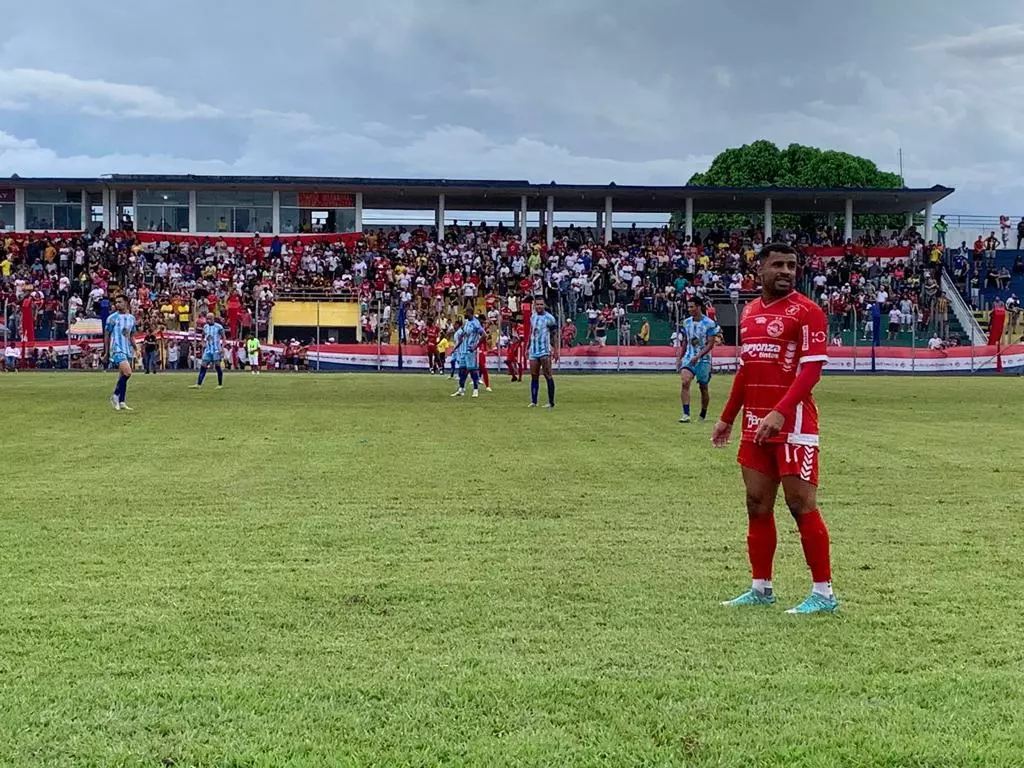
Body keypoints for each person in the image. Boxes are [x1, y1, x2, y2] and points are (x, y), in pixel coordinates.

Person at [711, 243, 837, 615]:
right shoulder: (748, 312)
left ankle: (824, 593)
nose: (786, 271)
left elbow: (811, 370)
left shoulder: (808, 312)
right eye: (778, 264)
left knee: (800, 505)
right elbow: (746, 370)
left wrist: (782, 412)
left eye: (792, 265)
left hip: (793, 422)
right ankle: (761, 587)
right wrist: (727, 417)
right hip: (755, 423)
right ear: (759, 270)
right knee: (756, 505)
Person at [676, 297, 721, 423]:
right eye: (688, 307)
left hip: (703, 360)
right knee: (685, 382)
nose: (689, 309)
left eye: (692, 306)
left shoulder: (710, 324)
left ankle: (703, 413)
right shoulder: (686, 322)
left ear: (699, 307)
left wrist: (698, 356)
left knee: (703, 387)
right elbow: (685, 341)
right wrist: (680, 357)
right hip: (689, 358)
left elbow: (710, 344)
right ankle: (686, 414)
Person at [104, 295, 137, 411]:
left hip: (127, 348)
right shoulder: (112, 318)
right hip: (116, 348)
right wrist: (106, 352)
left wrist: (136, 348)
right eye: (116, 302)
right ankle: (115, 395)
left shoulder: (131, 318)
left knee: (122, 376)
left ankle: (122, 401)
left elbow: (132, 335)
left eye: (120, 302)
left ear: (126, 303)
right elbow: (107, 335)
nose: (117, 304)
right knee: (128, 372)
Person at [527, 297, 558, 408]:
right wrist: (528, 347)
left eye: (541, 304)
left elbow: (554, 334)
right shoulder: (533, 316)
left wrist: (556, 350)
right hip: (533, 351)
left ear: (544, 305)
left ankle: (551, 402)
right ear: (535, 305)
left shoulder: (549, 318)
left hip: (545, 350)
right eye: (537, 304)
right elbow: (531, 332)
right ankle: (534, 401)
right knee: (534, 375)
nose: (539, 306)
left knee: (547, 375)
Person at [451, 309, 485, 398]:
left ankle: (475, 390)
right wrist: (455, 348)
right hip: (463, 351)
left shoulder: (476, 323)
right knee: (462, 371)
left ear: (471, 313)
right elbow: (462, 336)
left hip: (470, 351)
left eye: (467, 313)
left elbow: (484, 335)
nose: (465, 314)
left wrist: (475, 346)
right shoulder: (466, 323)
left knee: (472, 370)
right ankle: (461, 390)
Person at [191, 312, 225, 389]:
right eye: (207, 318)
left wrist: (222, 348)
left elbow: (224, 338)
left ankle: (220, 384)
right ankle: (198, 384)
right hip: (208, 350)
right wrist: (203, 343)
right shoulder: (205, 327)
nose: (208, 320)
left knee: (217, 366)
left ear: (213, 319)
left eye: (210, 318)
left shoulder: (219, 327)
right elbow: (202, 336)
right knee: (203, 365)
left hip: (216, 349)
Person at [476, 312, 493, 392]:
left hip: (480, 349)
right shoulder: (476, 327)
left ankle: (487, 385)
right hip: (475, 349)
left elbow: (487, 339)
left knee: (483, 368)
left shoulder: (484, 329)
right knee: (471, 368)